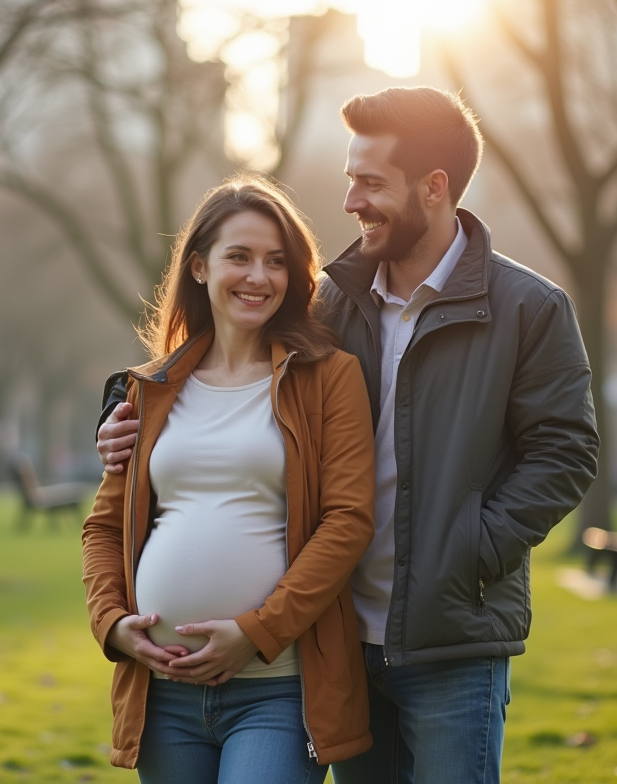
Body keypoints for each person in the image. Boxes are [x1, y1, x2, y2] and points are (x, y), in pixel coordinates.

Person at [97, 87, 600, 783]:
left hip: (448, 640)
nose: (350, 202)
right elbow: (219, 373)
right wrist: (120, 417)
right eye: (349, 179)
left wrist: (471, 551)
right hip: (335, 641)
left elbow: (567, 451)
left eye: (369, 183)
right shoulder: (329, 303)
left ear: (433, 187)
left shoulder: (528, 309)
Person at [81, 174, 377, 783]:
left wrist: (256, 633)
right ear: (198, 267)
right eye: (238, 257)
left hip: (278, 690)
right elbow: (105, 527)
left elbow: (348, 523)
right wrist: (112, 624)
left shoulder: (329, 377)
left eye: (276, 261)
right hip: (163, 696)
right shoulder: (148, 389)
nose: (258, 277)